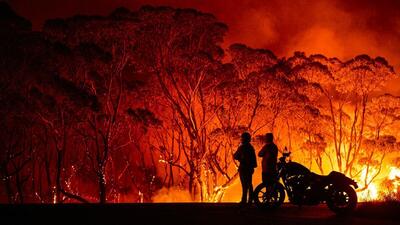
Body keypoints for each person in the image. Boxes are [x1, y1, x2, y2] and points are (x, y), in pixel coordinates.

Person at [234, 132, 257, 204]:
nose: (241, 139)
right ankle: (250, 199)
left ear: (243, 139)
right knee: (249, 184)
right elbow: (254, 159)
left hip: (243, 167)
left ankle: (244, 200)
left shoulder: (242, 147)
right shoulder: (251, 147)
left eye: (242, 138)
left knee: (244, 185)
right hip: (249, 168)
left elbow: (235, 156)